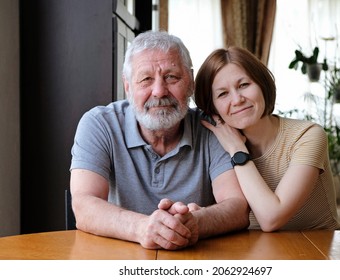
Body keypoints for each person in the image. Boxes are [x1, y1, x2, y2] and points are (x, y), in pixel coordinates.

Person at [69, 31, 249, 250]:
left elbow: (238, 207)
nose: (159, 91)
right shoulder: (99, 124)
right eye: (146, 79)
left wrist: (195, 223)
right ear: (128, 86)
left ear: (190, 82)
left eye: (171, 77)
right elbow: (83, 205)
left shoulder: (212, 127)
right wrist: (143, 228)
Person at [194, 46, 340, 231]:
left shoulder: (307, 135)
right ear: (213, 108)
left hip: (315, 250)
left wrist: (237, 151)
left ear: (262, 84)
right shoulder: (214, 147)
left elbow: (272, 218)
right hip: (253, 253)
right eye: (222, 94)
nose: (237, 99)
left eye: (244, 85)